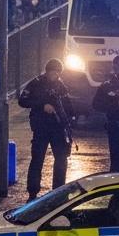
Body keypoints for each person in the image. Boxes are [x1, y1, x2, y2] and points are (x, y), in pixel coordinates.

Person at [18, 59, 76, 200]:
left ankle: (58, 191)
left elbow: (67, 105)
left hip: (57, 128)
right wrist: (42, 105)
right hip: (41, 127)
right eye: (52, 72)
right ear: (47, 71)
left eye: (57, 73)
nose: (54, 75)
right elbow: (23, 101)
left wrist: (71, 121)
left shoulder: (60, 85)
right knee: (37, 159)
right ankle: (32, 192)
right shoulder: (36, 83)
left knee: (61, 159)